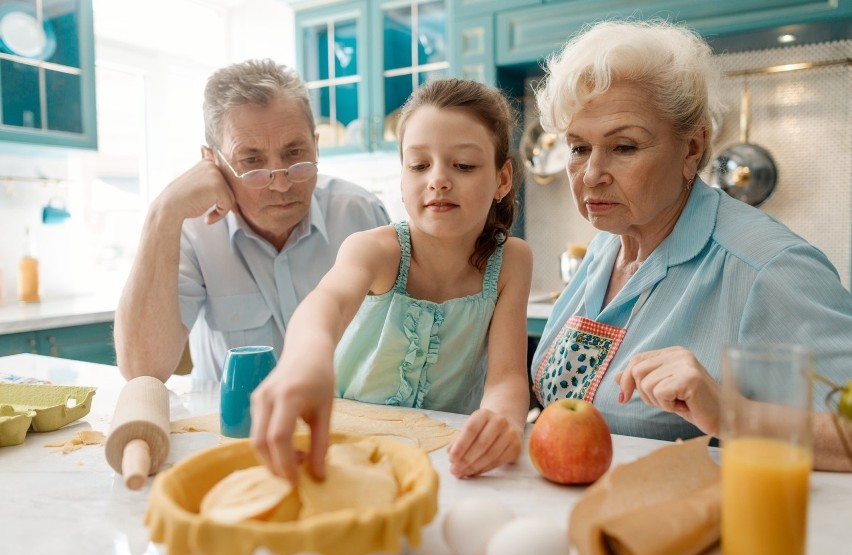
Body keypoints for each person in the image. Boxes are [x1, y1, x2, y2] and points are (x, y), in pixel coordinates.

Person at [531, 19, 852, 470]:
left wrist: (730, 414)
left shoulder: (766, 268)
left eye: (623, 147)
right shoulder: (610, 245)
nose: (590, 175)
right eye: (579, 147)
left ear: (692, 148)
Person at [251, 78, 534, 483]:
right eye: (419, 165)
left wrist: (500, 420)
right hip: (342, 444)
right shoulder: (375, 250)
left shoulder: (511, 261)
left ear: (502, 179)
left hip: (446, 458)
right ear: (402, 180)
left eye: (464, 165)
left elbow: (506, 377)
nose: (437, 179)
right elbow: (326, 304)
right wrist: (307, 357)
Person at [114, 59, 390, 384]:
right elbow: (142, 369)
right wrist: (162, 213)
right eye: (252, 161)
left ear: (316, 144)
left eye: (295, 153)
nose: (282, 183)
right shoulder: (192, 232)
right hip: (233, 430)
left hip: (352, 426)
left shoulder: (361, 213)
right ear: (212, 161)